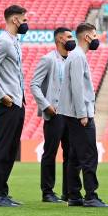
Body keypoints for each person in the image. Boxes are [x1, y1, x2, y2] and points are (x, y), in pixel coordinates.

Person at [57, 22, 108, 207]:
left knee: (75, 156)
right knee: (88, 155)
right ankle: (91, 195)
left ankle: (74, 195)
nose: (96, 39)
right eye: (94, 35)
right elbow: (77, 88)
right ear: (87, 37)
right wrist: (82, 114)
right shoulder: (79, 57)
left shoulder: (75, 56)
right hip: (79, 114)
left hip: (72, 113)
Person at [0, 5, 29, 207]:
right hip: (8, 104)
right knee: (3, 147)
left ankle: (2, 191)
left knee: (10, 149)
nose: (26, 23)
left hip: (17, 102)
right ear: (15, 20)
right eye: (24, 20)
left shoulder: (13, 41)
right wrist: (2, 96)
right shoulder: (3, 42)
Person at [30, 27, 78, 203]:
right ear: (59, 40)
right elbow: (34, 84)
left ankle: (68, 191)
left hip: (70, 113)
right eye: (69, 37)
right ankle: (47, 192)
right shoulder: (48, 59)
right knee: (50, 152)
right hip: (55, 113)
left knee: (70, 153)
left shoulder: (73, 59)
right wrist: (46, 106)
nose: (72, 40)